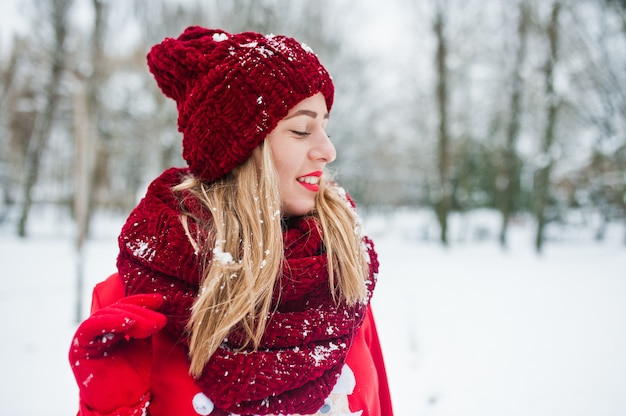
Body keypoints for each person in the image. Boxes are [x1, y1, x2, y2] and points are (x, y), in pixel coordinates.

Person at [68, 26, 394, 416]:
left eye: (325, 127)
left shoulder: (340, 275)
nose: (328, 150)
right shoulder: (134, 305)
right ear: (238, 150)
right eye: (302, 129)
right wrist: (110, 408)